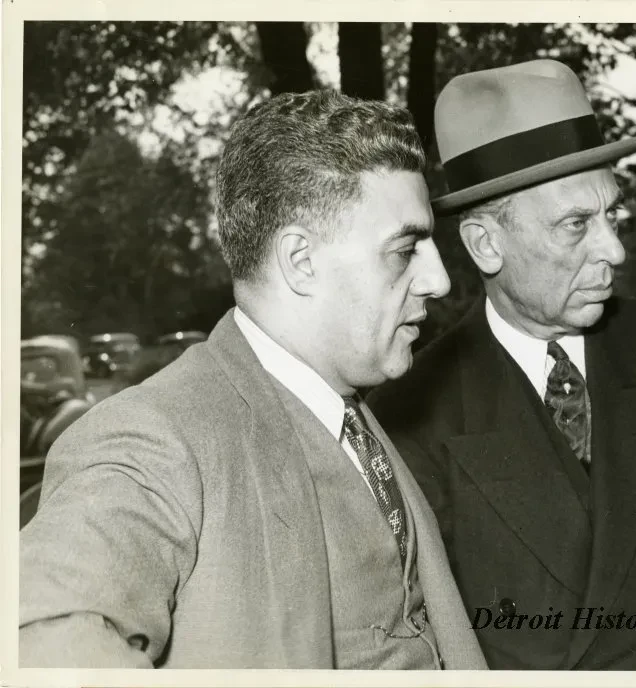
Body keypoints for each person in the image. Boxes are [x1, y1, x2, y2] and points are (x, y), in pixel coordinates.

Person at [19, 90, 487, 670]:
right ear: (301, 261)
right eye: (405, 249)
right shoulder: (153, 437)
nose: (439, 279)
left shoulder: (349, 410)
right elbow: (38, 632)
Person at [369, 59, 636, 670]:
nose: (613, 249)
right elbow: (421, 641)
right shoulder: (409, 409)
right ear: (486, 245)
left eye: (611, 214)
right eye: (575, 225)